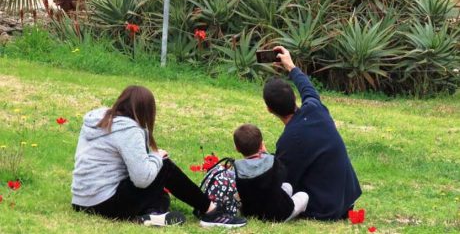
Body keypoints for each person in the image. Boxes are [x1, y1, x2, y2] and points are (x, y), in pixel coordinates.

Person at [71, 85, 247, 228]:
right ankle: (210, 211)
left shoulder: (100, 120)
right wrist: (156, 157)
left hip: (81, 201)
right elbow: (141, 179)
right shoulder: (128, 130)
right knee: (165, 166)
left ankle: (151, 216)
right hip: (105, 203)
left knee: (161, 198)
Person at [263, 46, 362, 221]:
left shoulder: (289, 140)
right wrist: (290, 66)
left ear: (269, 110)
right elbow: (308, 88)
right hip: (347, 199)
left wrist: (263, 159)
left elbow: (282, 181)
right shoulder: (316, 109)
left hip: (326, 209)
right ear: (294, 97)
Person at [233, 124, 309, 222]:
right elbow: (283, 174)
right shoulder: (272, 162)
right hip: (278, 214)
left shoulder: (236, 167)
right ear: (261, 145)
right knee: (303, 195)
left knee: (287, 186)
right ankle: (294, 215)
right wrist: (266, 154)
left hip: (251, 212)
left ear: (237, 148)